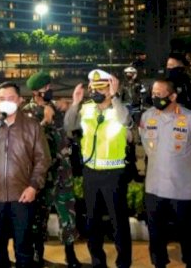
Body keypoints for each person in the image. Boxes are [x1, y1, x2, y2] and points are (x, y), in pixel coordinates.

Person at [0, 82, 51, 268]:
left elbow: (42, 160)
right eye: (2, 98)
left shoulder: (33, 127)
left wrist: (33, 187)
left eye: (11, 98)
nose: (6, 102)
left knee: (24, 248)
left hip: (22, 197)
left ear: (20, 100)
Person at [64, 69, 132, 268]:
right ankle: (97, 261)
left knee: (118, 222)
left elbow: (124, 121)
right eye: (92, 88)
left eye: (100, 88)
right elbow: (69, 127)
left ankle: (123, 263)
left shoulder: (120, 109)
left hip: (114, 174)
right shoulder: (86, 109)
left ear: (110, 89)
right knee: (92, 221)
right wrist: (75, 103)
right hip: (91, 173)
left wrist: (115, 97)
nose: (95, 92)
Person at [139, 79, 191, 268]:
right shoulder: (147, 117)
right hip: (154, 188)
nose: (154, 98)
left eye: (159, 94)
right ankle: (159, 263)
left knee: (189, 233)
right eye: (153, 94)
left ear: (173, 96)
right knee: (155, 234)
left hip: (183, 190)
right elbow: (147, 148)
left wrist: (187, 176)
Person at [24, 72, 82, 268]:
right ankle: (37, 253)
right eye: (45, 89)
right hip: (42, 175)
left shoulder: (58, 108)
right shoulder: (27, 113)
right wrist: (45, 122)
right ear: (35, 92)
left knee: (68, 215)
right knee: (39, 217)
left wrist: (71, 105)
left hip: (63, 173)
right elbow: (28, 143)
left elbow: (73, 129)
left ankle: (70, 253)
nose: (50, 91)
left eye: (50, 87)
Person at [163, 53, 191, 117]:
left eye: (171, 65)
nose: (168, 68)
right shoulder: (163, 86)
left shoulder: (188, 87)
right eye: (168, 66)